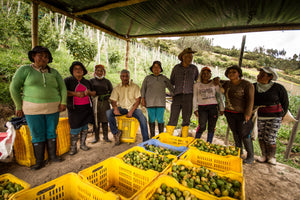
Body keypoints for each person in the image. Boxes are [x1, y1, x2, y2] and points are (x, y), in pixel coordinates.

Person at [10, 46, 67, 170]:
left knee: (51, 131)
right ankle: (39, 161)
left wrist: (63, 102)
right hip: (32, 109)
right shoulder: (25, 70)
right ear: (33, 57)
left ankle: (53, 157)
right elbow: (14, 87)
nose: (43, 58)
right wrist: (18, 106)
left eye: (46, 56)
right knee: (37, 133)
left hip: (53, 108)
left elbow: (62, 88)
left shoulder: (54, 72)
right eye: (40, 55)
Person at [217, 65, 255, 164]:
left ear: (239, 73)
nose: (231, 74)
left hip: (242, 114)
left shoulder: (247, 85)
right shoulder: (227, 84)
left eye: (234, 72)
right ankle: (239, 152)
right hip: (229, 113)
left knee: (245, 134)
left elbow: (250, 100)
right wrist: (215, 80)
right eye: (229, 72)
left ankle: (250, 156)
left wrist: (248, 113)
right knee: (235, 133)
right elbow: (217, 82)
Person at [254, 67, 289, 165]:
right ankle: (264, 155)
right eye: (259, 74)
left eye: (262, 75)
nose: (259, 76)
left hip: (274, 116)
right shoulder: (254, 86)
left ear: (270, 77)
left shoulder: (278, 88)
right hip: (260, 116)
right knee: (261, 136)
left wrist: (282, 114)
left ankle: (272, 157)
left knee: (270, 137)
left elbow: (285, 102)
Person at [106, 69, 149, 145]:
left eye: (126, 76)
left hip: (134, 108)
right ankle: (116, 133)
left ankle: (146, 141)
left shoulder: (135, 86)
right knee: (109, 113)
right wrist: (115, 108)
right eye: (123, 76)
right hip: (122, 108)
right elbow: (113, 101)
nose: (125, 78)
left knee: (143, 119)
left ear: (129, 77)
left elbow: (138, 101)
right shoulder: (117, 88)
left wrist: (131, 111)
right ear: (120, 77)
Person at [166, 48, 199, 137]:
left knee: (186, 119)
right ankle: (169, 137)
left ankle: (183, 138)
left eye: (191, 57)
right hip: (177, 96)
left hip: (189, 97)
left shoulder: (194, 69)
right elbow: (171, 82)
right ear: (183, 57)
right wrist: (172, 93)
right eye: (189, 57)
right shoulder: (176, 68)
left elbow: (198, 82)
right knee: (173, 117)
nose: (191, 59)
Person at [64, 61, 96, 155]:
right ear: (72, 71)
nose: (78, 71)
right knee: (74, 127)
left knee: (85, 127)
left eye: (80, 69)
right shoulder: (68, 81)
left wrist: (89, 92)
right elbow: (63, 92)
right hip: (74, 109)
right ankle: (73, 147)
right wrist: (75, 94)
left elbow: (94, 93)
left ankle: (83, 144)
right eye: (76, 69)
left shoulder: (87, 82)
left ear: (83, 71)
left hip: (86, 108)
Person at [141, 61, 174, 138]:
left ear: (160, 69)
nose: (156, 69)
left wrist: (173, 94)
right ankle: (152, 136)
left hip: (160, 103)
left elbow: (171, 87)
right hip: (150, 103)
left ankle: (160, 136)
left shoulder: (164, 78)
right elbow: (143, 89)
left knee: (160, 120)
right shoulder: (147, 78)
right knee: (151, 120)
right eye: (154, 67)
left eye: (158, 67)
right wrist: (143, 99)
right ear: (152, 69)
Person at [193, 67, 224, 143]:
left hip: (213, 107)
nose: (206, 75)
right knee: (202, 125)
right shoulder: (197, 85)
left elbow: (220, 96)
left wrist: (222, 108)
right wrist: (195, 108)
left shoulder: (214, 84)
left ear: (210, 75)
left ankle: (208, 143)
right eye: (203, 73)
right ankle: (196, 141)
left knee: (212, 126)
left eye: (208, 73)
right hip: (202, 107)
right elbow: (195, 97)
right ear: (201, 75)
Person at [90, 64, 113, 143]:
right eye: (98, 71)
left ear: (104, 72)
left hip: (105, 103)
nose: (100, 72)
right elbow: (89, 92)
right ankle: (96, 137)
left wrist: (107, 97)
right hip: (96, 103)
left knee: (105, 120)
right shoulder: (91, 81)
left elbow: (111, 91)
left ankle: (105, 137)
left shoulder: (107, 82)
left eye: (101, 71)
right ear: (95, 71)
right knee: (96, 120)